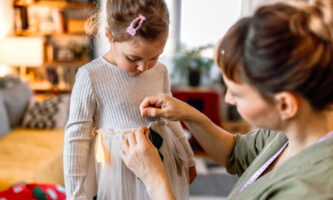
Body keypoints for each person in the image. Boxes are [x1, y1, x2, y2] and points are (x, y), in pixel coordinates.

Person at [120, 0, 333, 199]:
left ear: (285, 104)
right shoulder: (290, 132)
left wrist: (154, 180)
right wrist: (188, 114)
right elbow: (235, 152)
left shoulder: (313, 189)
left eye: (236, 93)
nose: (229, 99)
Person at [63, 0, 196, 199]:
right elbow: (76, 139)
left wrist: (188, 157)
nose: (144, 67)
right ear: (109, 36)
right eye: (133, 58)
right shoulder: (90, 76)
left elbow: (170, 119)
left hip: (158, 165)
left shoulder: (160, 72)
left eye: (154, 56)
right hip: (117, 175)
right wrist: (75, 194)